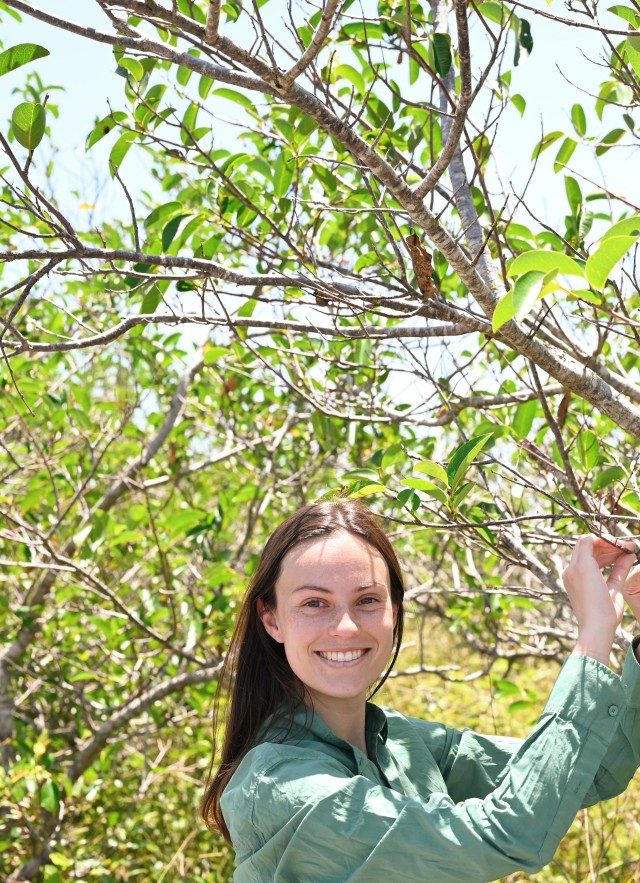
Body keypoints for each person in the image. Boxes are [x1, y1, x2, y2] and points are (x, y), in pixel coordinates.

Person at [200, 501, 640, 882]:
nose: (346, 626)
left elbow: (596, 767)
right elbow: (508, 834)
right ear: (271, 618)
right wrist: (594, 635)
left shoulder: (402, 741)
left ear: (394, 608)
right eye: (315, 603)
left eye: (367, 600)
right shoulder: (281, 786)